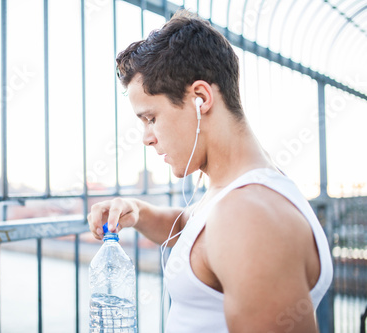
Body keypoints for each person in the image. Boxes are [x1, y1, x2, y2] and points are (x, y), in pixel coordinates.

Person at [87, 9, 333, 333]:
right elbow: (196, 233)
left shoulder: (247, 218)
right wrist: (138, 211)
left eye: (151, 118)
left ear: (200, 98)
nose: (147, 137)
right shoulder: (237, 191)